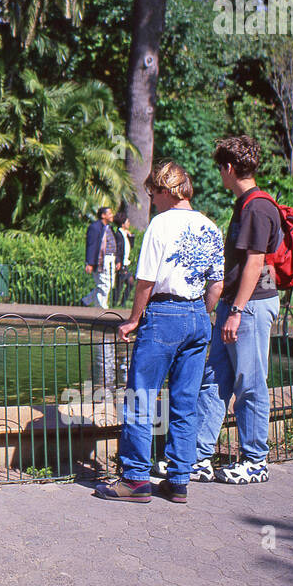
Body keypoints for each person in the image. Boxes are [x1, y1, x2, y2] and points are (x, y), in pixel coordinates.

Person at [95, 161, 225, 504]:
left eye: (152, 194)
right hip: (198, 313)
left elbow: (146, 281)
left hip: (163, 312)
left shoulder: (160, 224)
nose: (151, 202)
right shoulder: (210, 226)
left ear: (166, 191)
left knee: (141, 396)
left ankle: (136, 479)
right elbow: (217, 283)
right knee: (185, 401)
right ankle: (179, 479)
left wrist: (134, 318)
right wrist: (200, 315)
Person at [191, 135, 283, 485]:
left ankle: (255, 460)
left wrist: (236, 311)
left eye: (220, 168)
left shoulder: (258, 207)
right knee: (214, 380)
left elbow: (256, 262)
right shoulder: (245, 203)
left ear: (229, 168)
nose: (219, 175)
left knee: (250, 383)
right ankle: (198, 456)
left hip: (251, 307)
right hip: (238, 305)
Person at [82, 207, 116, 309]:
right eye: (109, 213)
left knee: (108, 284)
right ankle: (101, 309)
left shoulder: (108, 227)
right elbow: (91, 245)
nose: (112, 215)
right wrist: (90, 263)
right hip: (101, 259)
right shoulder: (95, 227)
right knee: (104, 284)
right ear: (103, 215)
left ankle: (86, 301)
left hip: (110, 259)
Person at [111, 211, 135, 309]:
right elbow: (118, 249)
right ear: (123, 224)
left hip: (125, 263)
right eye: (127, 222)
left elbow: (131, 246)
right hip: (121, 263)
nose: (129, 223)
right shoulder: (118, 235)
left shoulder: (125, 234)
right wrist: (118, 261)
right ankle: (115, 303)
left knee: (129, 283)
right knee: (119, 286)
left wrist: (131, 236)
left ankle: (121, 303)